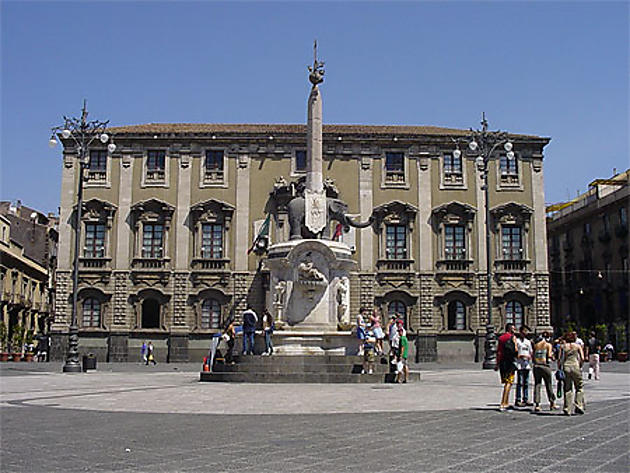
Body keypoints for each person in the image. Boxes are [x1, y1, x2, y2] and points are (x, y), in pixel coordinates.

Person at [560, 331, 585, 416]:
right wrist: (580, 365)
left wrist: (560, 368)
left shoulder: (563, 346)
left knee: (567, 388)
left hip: (566, 366)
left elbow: (560, 359)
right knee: (579, 386)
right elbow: (582, 357)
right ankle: (578, 404)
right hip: (575, 365)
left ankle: (567, 408)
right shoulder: (577, 346)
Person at [532, 331, 557, 412]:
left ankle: (537, 405)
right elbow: (549, 355)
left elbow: (533, 356)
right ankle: (552, 403)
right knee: (548, 384)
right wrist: (553, 356)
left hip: (536, 366)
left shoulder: (536, 345)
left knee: (537, 385)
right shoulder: (548, 345)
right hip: (544, 365)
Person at [495, 323, 517, 412]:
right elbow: (516, 350)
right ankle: (503, 404)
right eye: (514, 329)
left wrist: (497, 364)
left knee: (506, 382)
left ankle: (506, 403)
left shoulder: (501, 338)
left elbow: (499, 352)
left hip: (502, 363)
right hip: (510, 362)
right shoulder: (512, 337)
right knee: (509, 383)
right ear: (510, 329)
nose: (515, 331)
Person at [515, 326, 533, 407]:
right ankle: (518, 399)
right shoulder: (517, 341)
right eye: (525, 331)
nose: (526, 333)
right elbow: (515, 351)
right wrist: (519, 355)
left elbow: (531, 352)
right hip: (519, 364)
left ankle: (525, 398)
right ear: (521, 332)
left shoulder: (528, 342)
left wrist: (529, 357)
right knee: (520, 382)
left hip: (527, 364)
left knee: (526, 382)